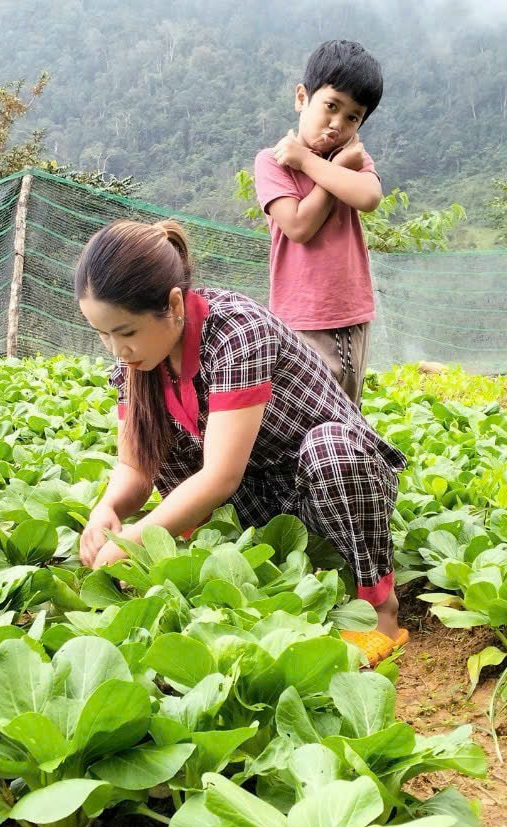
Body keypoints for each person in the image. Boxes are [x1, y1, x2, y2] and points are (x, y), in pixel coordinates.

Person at [75, 218, 407, 662]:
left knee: (332, 450)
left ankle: (380, 607)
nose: (117, 350)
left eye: (127, 332)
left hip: (327, 487)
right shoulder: (136, 367)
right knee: (167, 442)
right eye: (103, 334)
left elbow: (219, 477)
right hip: (258, 499)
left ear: (173, 303)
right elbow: (136, 467)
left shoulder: (236, 332)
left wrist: (137, 537)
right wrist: (108, 510)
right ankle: (249, 564)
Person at [253, 39, 385, 405]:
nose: (336, 124)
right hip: (300, 318)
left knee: (348, 410)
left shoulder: (352, 157)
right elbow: (298, 227)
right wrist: (333, 170)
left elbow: (369, 197)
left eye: (352, 117)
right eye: (331, 106)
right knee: (304, 411)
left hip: (352, 314)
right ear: (302, 97)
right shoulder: (272, 161)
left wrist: (315, 164)